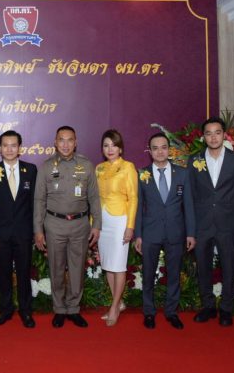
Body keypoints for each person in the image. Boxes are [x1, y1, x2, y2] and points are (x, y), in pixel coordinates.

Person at [34, 126, 101, 328]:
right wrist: (38, 230)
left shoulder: (86, 165)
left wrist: (96, 225)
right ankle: (59, 309)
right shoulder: (46, 167)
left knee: (77, 269)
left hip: (80, 225)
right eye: (61, 140)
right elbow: (39, 200)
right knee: (56, 268)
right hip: (54, 224)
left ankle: (73, 308)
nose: (65, 144)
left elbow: (94, 198)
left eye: (69, 140)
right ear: (55, 142)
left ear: (75, 142)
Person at [189, 117, 234, 327]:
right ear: (203, 137)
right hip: (202, 223)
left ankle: (226, 309)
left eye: (217, 132)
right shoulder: (194, 160)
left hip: (227, 222)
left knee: (228, 266)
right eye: (208, 133)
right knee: (203, 266)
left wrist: (227, 207)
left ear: (224, 134)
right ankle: (207, 306)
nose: (213, 137)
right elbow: (191, 193)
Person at [134, 133, 196, 330]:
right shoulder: (142, 174)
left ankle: (171, 312)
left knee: (174, 274)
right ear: (150, 151)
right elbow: (138, 207)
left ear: (169, 150)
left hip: (175, 232)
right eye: (155, 148)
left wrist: (191, 233)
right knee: (148, 274)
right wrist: (138, 235)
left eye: (163, 147)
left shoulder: (182, 173)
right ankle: (149, 312)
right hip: (150, 233)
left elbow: (189, 205)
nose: (160, 152)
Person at [0, 131, 38, 328]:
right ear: (0, 148)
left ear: (20, 148)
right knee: (3, 273)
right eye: (5, 145)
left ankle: (26, 311)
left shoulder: (31, 170)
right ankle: (5, 310)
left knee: (24, 273)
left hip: (23, 233)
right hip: (1, 234)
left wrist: (36, 230)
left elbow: (35, 203)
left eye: (13, 145)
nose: (9, 149)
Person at [95, 129, 138, 326]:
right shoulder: (99, 168)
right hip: (102, 221)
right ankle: (118, 302)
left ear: (120, 148)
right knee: (108, 265)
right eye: (106, 145)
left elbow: (133, 198)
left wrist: (130, 227)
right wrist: (93, 224)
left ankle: (114, 308)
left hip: (120, 220)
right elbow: (95, 198)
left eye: (113, 145)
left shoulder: (128, 167)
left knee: (118, 265)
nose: (110, 149)